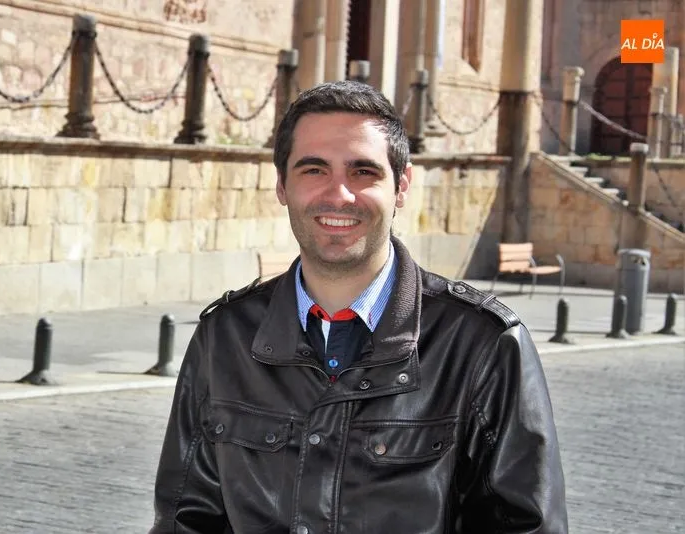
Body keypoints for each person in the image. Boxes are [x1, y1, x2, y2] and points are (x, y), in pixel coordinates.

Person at [149, 80, 568, 534]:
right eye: (314, 170)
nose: (339, 195)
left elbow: (527, 525)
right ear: (282, 186)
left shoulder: (482, 345)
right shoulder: (224, 338)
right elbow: (184, 519)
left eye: (363, 172)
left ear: (401, 186)